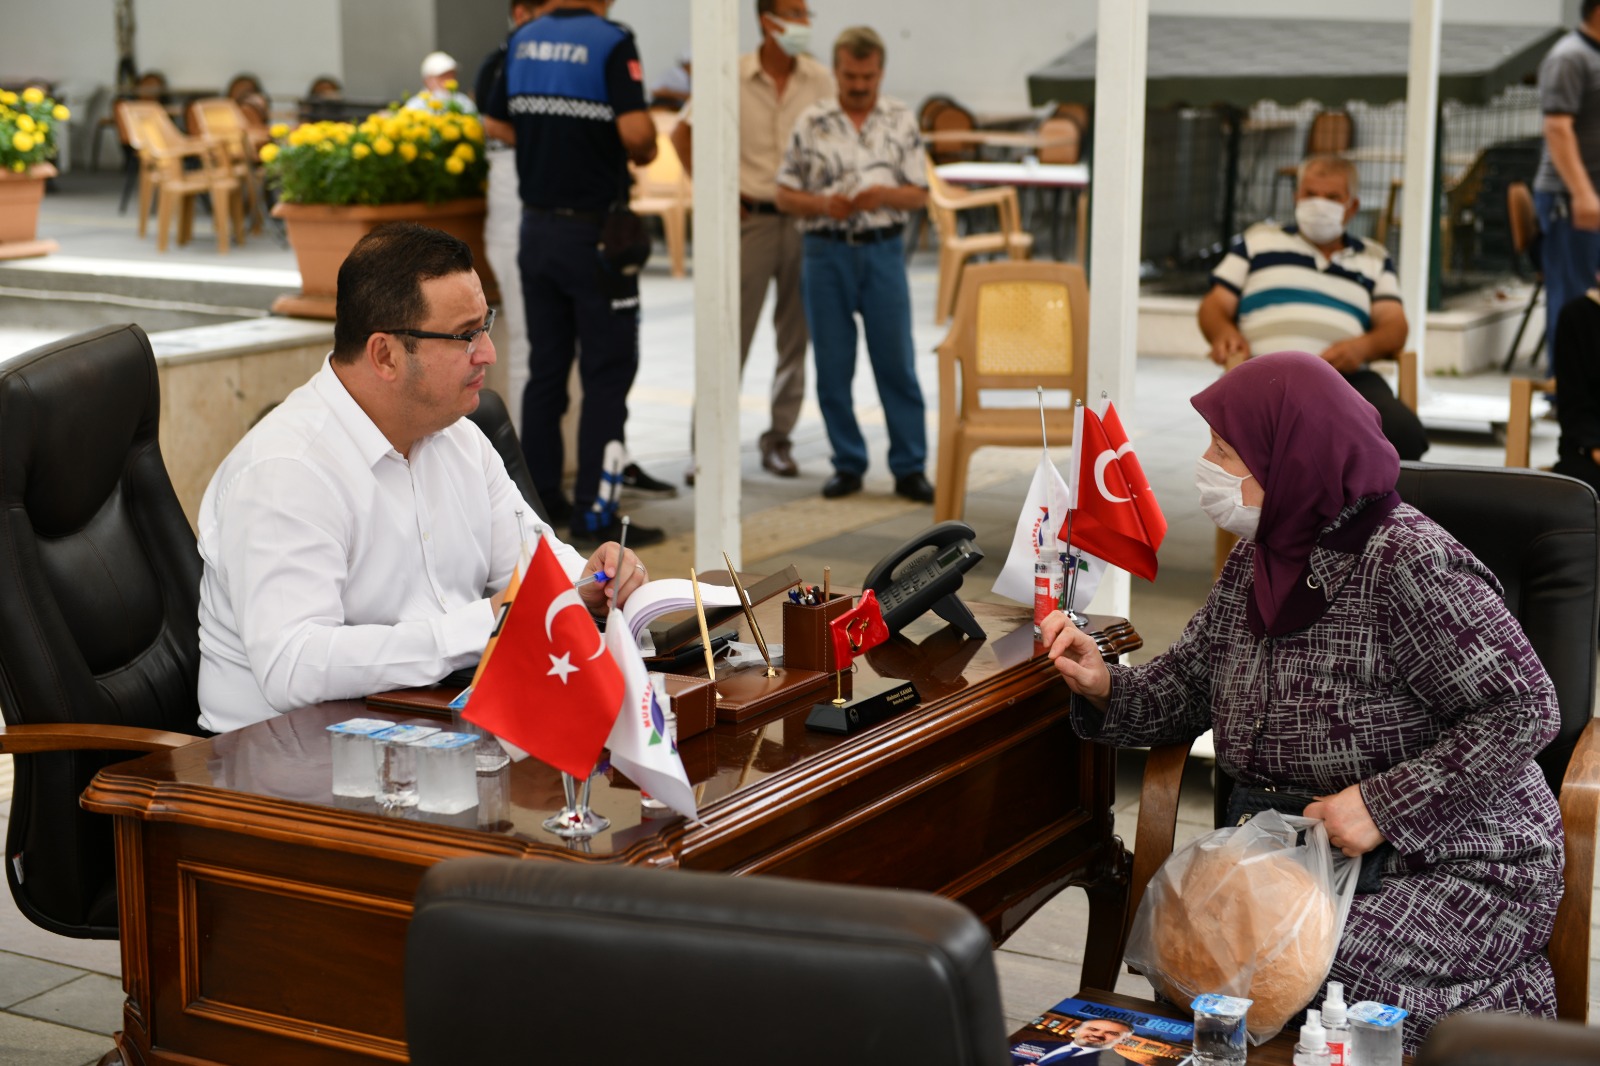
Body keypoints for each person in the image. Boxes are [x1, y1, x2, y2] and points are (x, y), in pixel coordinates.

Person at [1039, 351, 1564, 1053]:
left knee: (1297, 979)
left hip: (1450, 857)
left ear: (1291, 459)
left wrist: (1384, 805)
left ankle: (1500, 1025)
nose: (1206, 466)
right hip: (1295, 857)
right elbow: (1189, 685)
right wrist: (1104, 683)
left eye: (1225, 450)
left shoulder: (1407, 562)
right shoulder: (1257, 558)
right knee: (1195, 956)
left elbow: (1524, 707)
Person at [196, 224, 648, 734]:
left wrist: (588, 580)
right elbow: (294, 666)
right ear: (385, 355)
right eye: (465, 335)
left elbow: (531, 569)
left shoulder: (458, 435)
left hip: (428, 721)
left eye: (485, 325)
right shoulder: (286, 470)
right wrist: (488, 623)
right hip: (286, 756)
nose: (487, 352)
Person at [484, 0, 676, 547]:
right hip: (595, 236)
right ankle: (597, 513)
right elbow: (637, 135)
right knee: (608, 373)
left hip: (536, 229)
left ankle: (539, 502)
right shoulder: (611, 40)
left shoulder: (523, 39)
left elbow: (495, 120)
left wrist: (549, 143)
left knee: (546, 370)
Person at [670, 0, 835, 482]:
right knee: (727, 335)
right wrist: (716, 193)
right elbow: (682, 135)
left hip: (803, 221)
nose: (804, 23)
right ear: (768, 20)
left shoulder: (820, 80)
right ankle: (707, 448)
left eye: (805, 14)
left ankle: (779, 439)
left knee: (795, 339)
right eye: (795, 13)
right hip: (751, 222)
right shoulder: (731, 74)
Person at [774, 26, 934, 503]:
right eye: (850, 76)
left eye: (868, 76)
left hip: (883, 251)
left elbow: (920, 193)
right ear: (836, 71)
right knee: (832, 364)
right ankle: (847, 462)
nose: (859, 85)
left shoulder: (900, 119)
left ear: (880, 72)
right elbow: (784, 193)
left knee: (896, 362)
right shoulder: (813, 121)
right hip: (825, 253)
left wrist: (883, 195)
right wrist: (824, 205)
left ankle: (909, 466)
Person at [1198, 154, 1428, 461]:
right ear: (1296, 197)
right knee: (1277, 436)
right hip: (1265, 376)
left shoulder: (1374, 257)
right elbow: (1215, 304)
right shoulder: (1258, 241)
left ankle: (1362, 495)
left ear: (1352, 207)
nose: (1319, 204)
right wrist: (1223, 333)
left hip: (1345, 382)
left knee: (1403, 431)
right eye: (1310, 194)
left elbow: (1395, 326)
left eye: (1332, 197)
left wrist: (1361, 348)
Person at [475, 0, 553, 436]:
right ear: (523, 13)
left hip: (549, 217)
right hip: (516, 211)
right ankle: (521, 459)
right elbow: (495, 125)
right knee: (528, 344)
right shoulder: (504, 62)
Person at [1535, 0, 1600, 379]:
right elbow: (1557, 129)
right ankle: (1565, 389)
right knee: (1574, 296)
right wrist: (1583, 194)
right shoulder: (1570, 57)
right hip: (1571, 200)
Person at [1551, 285, 1600, 493]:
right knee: (1581, 489)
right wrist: (1595, 446)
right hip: (1589, 447)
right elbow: (1573, 402)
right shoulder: (1578, 315)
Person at [405, 51, 478, 114]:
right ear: (427, 80)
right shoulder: (414, 106)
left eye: (452, 75)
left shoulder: (464, 102)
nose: (448, 81)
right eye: (442, 77)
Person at [1036, 1019, 1132, 1061]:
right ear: (1078, 1029)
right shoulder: (1034, 1043)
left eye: (1111, 1033)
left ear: (1123, 1040)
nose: (1098, 1034)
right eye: (1093, 1029)